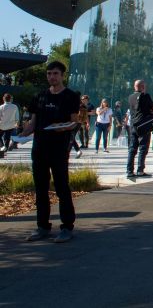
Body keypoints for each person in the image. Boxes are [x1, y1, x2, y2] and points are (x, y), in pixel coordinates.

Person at [19, 61, 81, 243]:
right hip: (39, 148)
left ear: (62, 75)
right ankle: (42, 226)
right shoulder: (40, 96)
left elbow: (74, 121)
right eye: (49, 73)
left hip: (59, 148)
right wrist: (23, 134)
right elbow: (33, 122)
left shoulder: (70, 96)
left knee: (62, 187)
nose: (51, 77)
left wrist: (63, 127)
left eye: (55, 73)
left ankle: (67, 227)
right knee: (40, 188)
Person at [127, 79, 153, 179]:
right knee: (143, 148)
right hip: (143, 125)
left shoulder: (130, 97)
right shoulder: (145, 96)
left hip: (133, 125)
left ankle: (129, 171)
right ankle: (140, 170)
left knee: (132, 149)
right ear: (143, 87)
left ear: (134, 87)